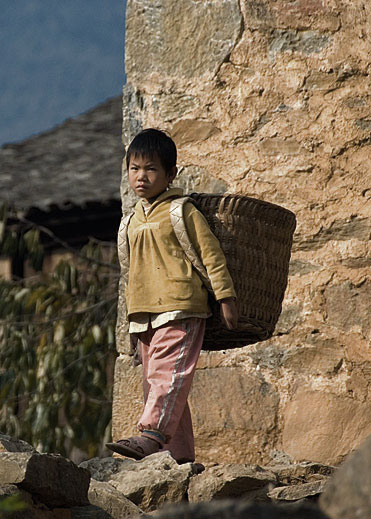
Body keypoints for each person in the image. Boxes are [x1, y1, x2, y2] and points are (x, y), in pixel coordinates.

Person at [106, 128, 238, 464]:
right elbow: (130, 275)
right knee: (159, 384)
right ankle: (178, 458)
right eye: (134, 169)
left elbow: (212, 257)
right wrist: (132, 327)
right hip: (145, 316)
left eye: (151, 169)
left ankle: (150, 433)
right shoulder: (130, 222)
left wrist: (226, 298)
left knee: (168, 376)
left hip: (182, 308)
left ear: (170, 174)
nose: (141, 177)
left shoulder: (182, 211)